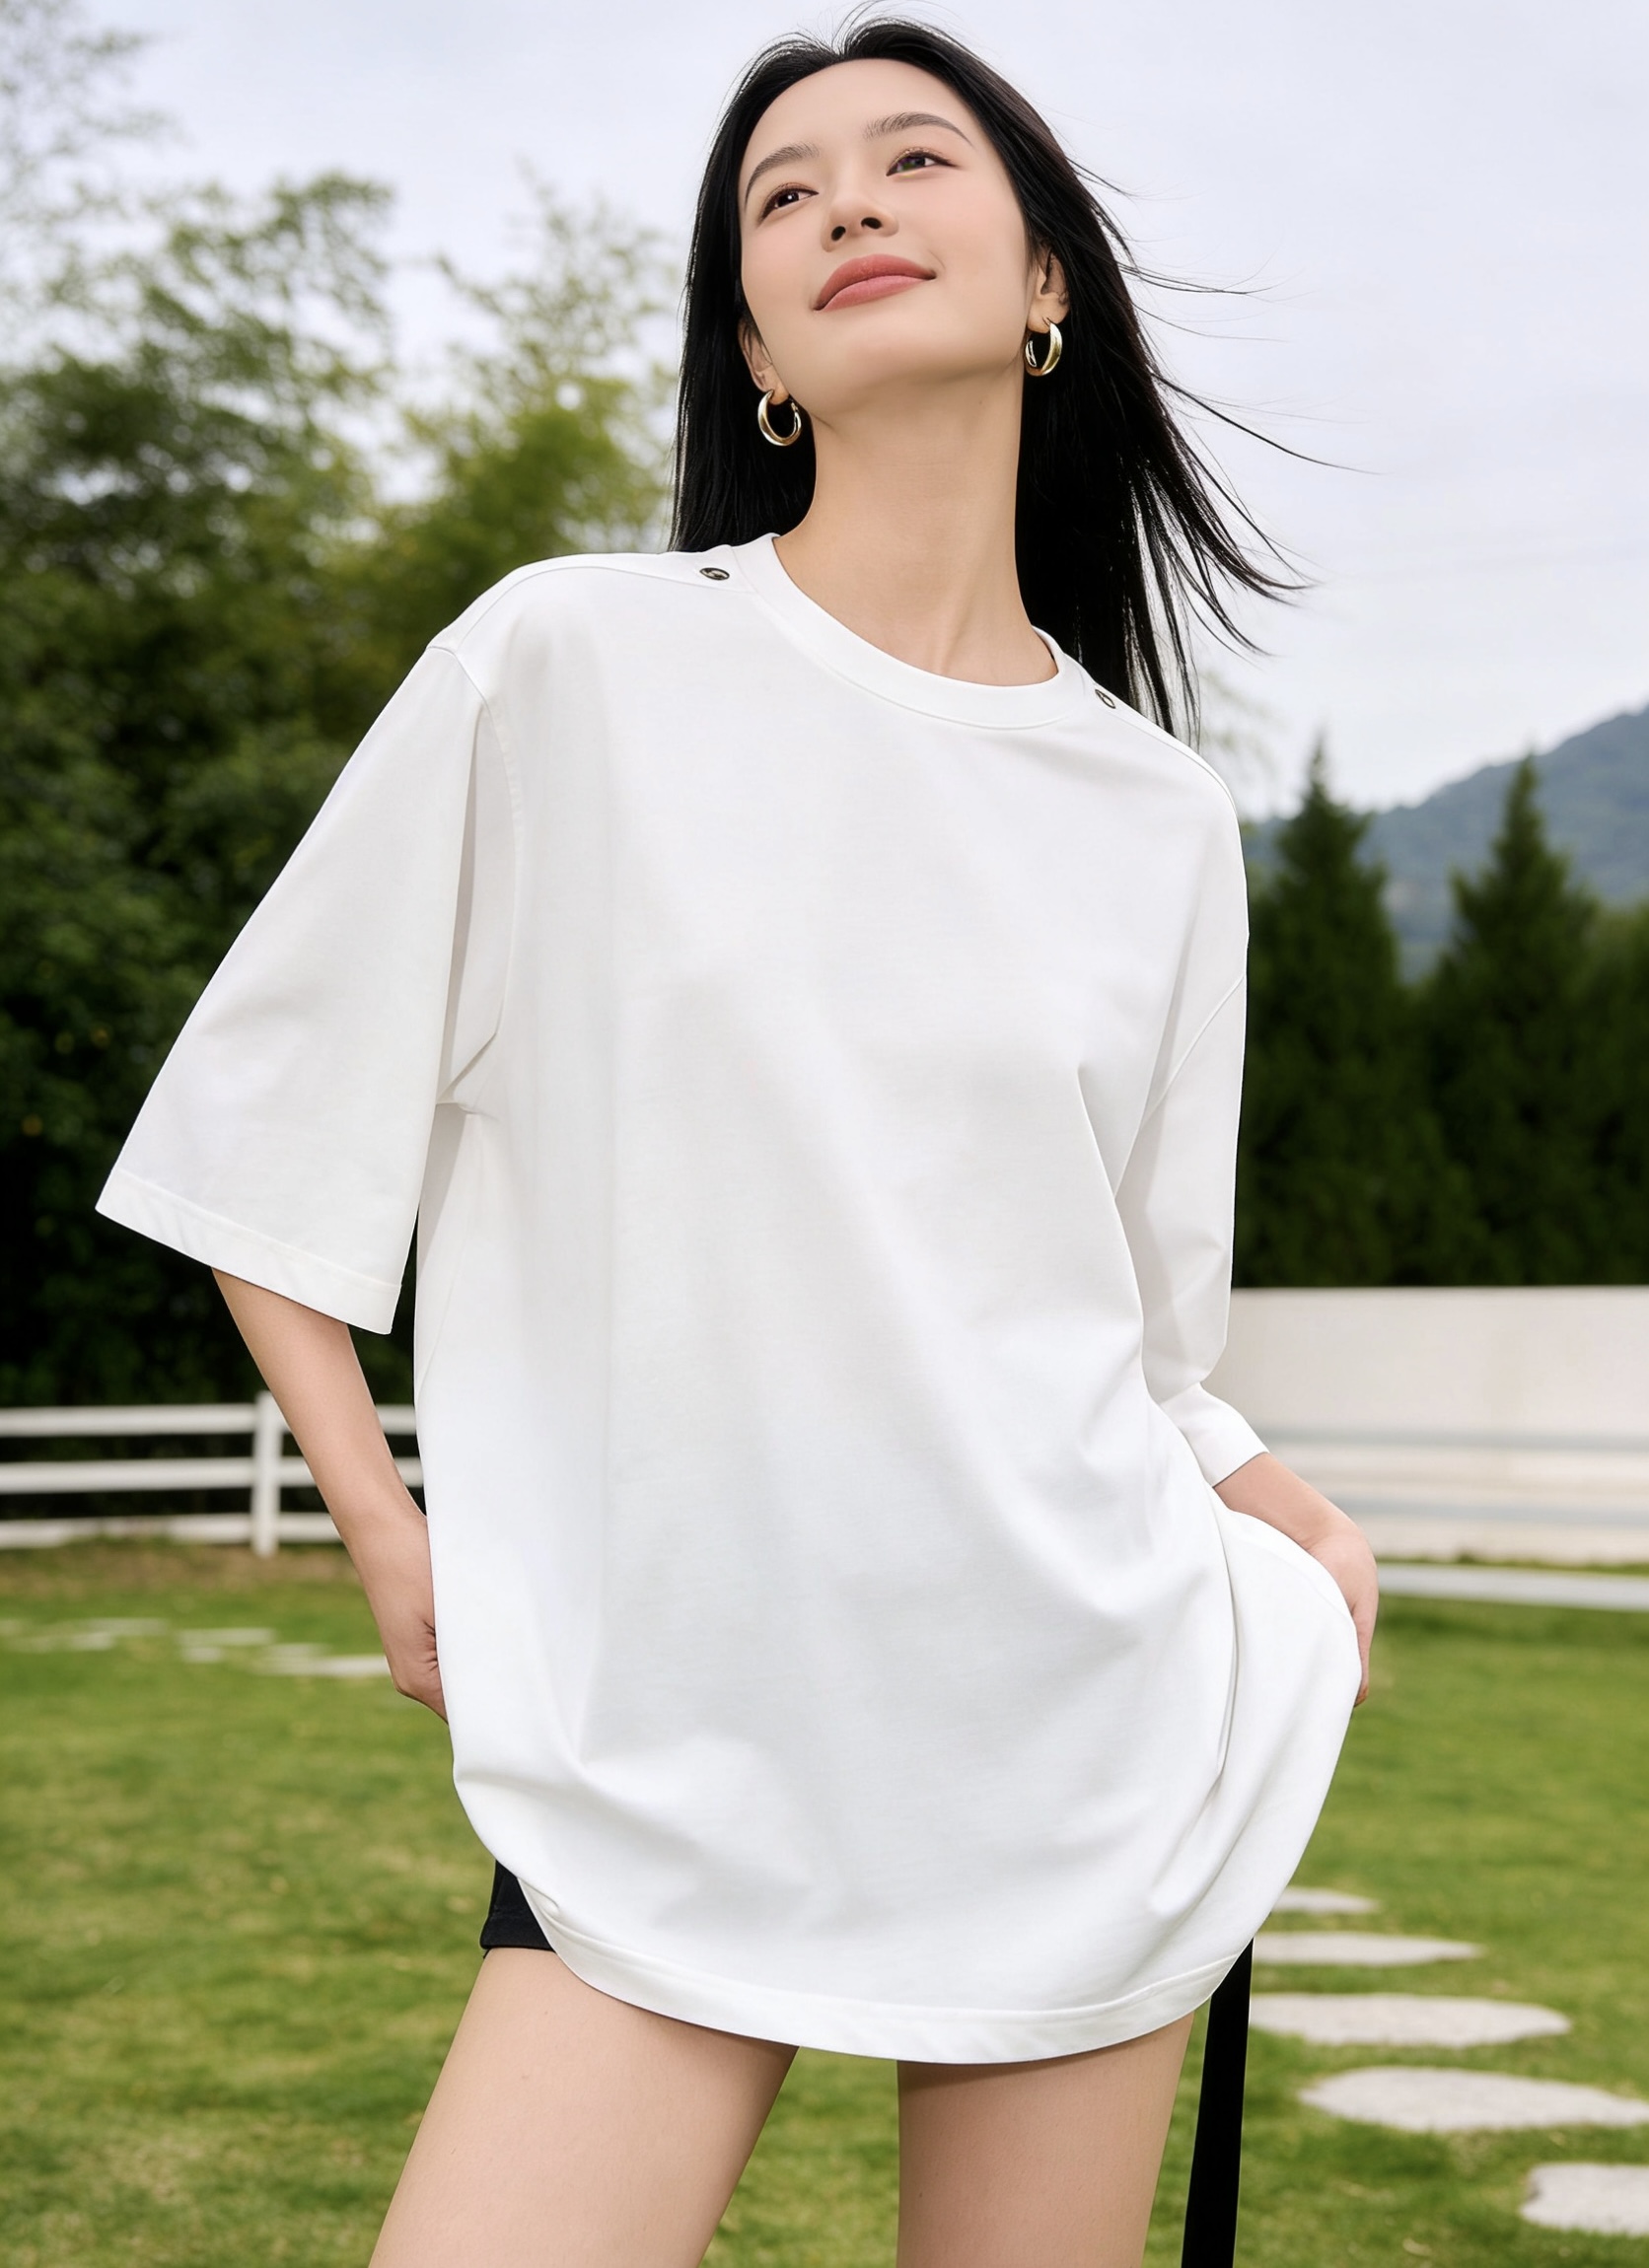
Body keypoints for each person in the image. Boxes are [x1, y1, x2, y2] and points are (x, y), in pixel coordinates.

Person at [97, 21, 1377, 2266]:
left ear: (1047, 282)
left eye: (914, 159)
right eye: (785, 195)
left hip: (1075, 1729)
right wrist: (382, 1521)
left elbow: (1139, 1334)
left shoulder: (1162, 817)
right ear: (760, 350)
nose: (848, 202)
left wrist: (1289, 1531)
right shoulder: (567, 666)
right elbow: (267, 1127)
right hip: (670, 1739)